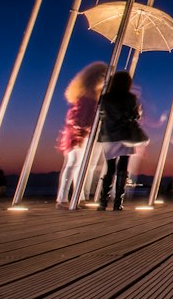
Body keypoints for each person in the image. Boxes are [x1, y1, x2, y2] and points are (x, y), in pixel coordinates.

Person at [55, 62, 108, 207]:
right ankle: (62, 199)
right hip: (79, 134)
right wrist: (80, 131)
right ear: (93, 77)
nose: (105, 78)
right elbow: (77, 117)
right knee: (73, 164)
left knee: (81, 166)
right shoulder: (87, 94)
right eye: (102, 75)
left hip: (89, 134)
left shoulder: (96, 95)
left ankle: (80, 196)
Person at [97, 69, 147, 211]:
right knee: (122, 169)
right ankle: (118, 202)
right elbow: (134, 116)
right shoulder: (130, 98)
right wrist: (138, 113)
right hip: (125, 135)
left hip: (108, 136)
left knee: (110, 169)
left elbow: (101, 115)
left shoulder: (105, 98)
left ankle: (103, 201)